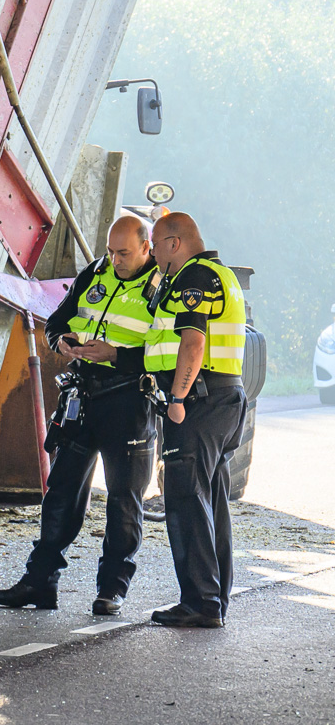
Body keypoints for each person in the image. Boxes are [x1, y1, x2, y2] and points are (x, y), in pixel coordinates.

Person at [0, 215, 159, 615]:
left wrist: (117, 354)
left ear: (146, 249)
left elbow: (166, 351)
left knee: (124, 500)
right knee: (60, 493)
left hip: (128, 401)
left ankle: (111, 590)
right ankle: (40, 582)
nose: (115, 260)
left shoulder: (161, 287)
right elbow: (57, 321)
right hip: (83, 396)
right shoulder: (96, 272)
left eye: (125, 253)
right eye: (111, 251)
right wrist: (60, 340)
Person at [145, 211, 247, 629]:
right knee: (211, 501)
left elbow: (193, 342)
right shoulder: (222, 274)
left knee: (186, 500)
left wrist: (177, 397)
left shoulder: (194, 276)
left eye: (154, 245)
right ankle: (214, 596)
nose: (151, 254)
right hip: (223, 399)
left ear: (174, 242)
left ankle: (200, 602)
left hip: (199, 402)